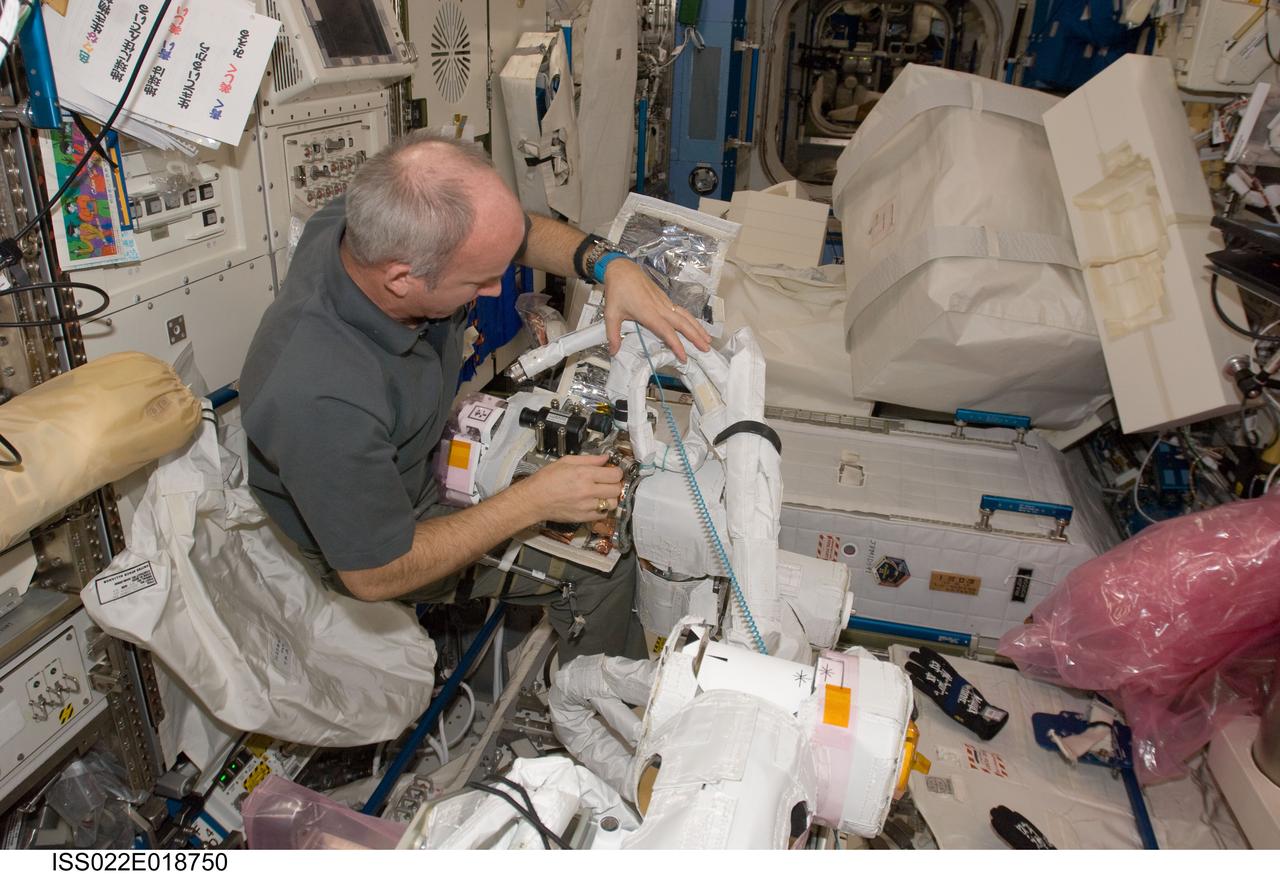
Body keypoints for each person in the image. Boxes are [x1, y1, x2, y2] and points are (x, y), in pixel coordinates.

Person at [238, 130, 710, 660]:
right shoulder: (319, 397)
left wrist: (609, 265)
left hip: (410, 445)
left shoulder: (379, 218)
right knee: (604, 566)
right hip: (386, 537)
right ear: (402, 279)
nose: (496, 289)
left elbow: (511, 232)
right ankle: (599, 715)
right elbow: (375, 572)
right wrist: (531, 502)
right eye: (479, 281)